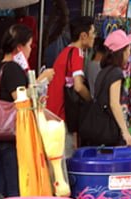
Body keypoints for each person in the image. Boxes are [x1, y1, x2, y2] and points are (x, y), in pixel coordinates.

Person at [0, 24, 54, 197]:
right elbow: (19, 97)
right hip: (11, 132)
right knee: (14, 184)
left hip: (1, 132)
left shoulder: (0, 65)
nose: (30, 50)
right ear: (19, 47)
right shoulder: (11, 68)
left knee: (4, 182)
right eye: (29, 46)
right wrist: (41, 80)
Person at [46, 16, 96, 156]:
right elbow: (78, 86)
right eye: (93, 33)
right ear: (83, 36)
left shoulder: (65, 52)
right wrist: (91, 100)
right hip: (61, 116)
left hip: (52, 114)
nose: (94, 37)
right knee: (64, 163)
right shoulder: (76, 53)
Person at [90, 29, 131, 147]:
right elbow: (114, 103)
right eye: (128, 50)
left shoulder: (104, 71)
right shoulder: (116, 73)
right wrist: (125, 132)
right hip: (109, 129)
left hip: (98, 127)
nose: (129, 54)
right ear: (121, 52)